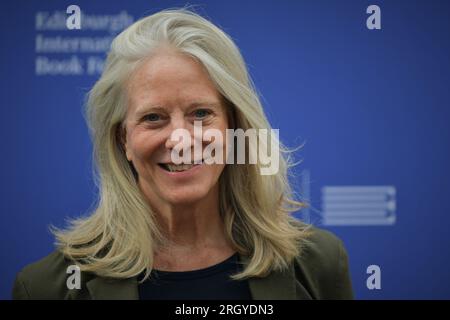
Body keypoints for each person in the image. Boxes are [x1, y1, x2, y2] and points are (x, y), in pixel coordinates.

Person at [12, 8, 353, 300]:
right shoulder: (46, 287)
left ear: (234, 127)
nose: (181, 140)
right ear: (123, 140)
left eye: (201, 114)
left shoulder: (318, 264)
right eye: (153, 117)